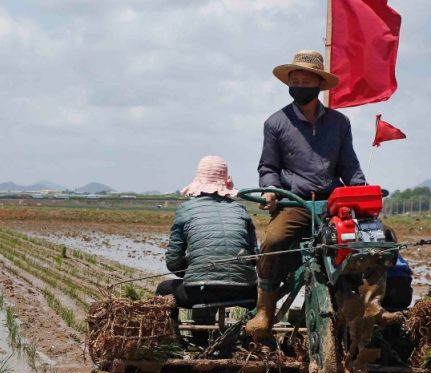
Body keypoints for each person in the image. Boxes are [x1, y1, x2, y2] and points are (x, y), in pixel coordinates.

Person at [244, 49, 367, 339]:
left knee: (374, 237)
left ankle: (368, 301)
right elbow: (268, 166)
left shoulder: (339, 123)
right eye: (294, 79)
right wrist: (271, 192)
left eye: (304, 79)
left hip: (332, 202)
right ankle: (265, 310)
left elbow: (349, 166)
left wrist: (361, 190)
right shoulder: (276, 123)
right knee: (274, 240)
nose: (298, 83)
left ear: (318, 84)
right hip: (295, 202)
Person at [156, 156, 258, 312]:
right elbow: (254, 257)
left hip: (200, 292)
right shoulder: (240, 210)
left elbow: (173, 262)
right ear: (226, 181)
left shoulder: (186, 210)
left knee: (163, 289)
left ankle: (174, 334)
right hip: (245, 292)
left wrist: (196, 269)